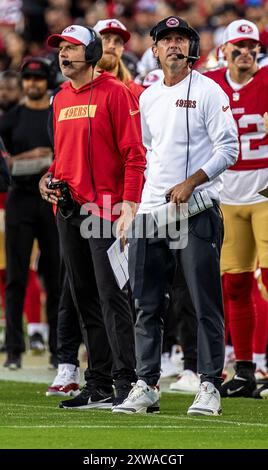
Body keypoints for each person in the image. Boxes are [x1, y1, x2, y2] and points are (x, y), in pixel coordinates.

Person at [113, 16, 238, 416]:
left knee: (203, 303)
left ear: (191, 48)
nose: (173, 46)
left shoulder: (208, 90)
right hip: (152, 213)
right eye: (165, 40)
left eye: (180, 39)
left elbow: (229, 148)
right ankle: (146, 384)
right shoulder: (148, 96)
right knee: (145, 304)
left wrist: (193, 180)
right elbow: (147, 155)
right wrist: (134, 207)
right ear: (153, 50)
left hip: (196, 209)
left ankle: (208, 386)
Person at [39, 25, 146, 409]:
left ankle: (126, 382)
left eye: (72, 48)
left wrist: (129, 207)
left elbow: (135, 155)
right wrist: (47, 181)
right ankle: (98, 383)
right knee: (83, 296)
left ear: (94, 52)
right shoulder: (59, 98)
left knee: (112, 297)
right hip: (68, 210)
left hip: (106, 210)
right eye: (61, 48)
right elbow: (60, 156)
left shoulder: (116, 93)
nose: (64, 55)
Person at [205, 19, 268, 398]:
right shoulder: (210, 84)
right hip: (227, 195)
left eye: (252, 47)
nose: (246, 53)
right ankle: (244, 370)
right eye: (239, 47)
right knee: (235, 283)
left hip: (265, 191)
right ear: (224, 50)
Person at [0, 57, 60, 369]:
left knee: (55, 276)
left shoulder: (56, 113)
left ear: (46, 81)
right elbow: (3, 166)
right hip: (20, 199)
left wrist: (45, 159)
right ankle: (13, 349)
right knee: (16, 277)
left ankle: (58, 351)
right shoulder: (11, 119)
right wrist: (33, 157)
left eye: (38, 79)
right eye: (28, 79)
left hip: (52, 200)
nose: (32, 84)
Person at [94, 18, 144, 98]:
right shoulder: (77, 86)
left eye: (118, 41)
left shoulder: (137, 93)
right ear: (93, 45)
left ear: (123, 49)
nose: (112, 46)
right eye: (106, 39)